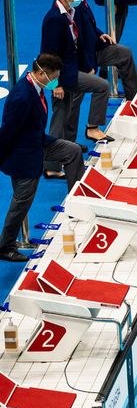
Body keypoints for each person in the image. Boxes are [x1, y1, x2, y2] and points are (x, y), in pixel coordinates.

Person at [0, 55, 83, 262]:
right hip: (24, 157)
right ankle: (5, 246)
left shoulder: (35, 88)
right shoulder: (22, 97)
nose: (55, 81)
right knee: (21, 203)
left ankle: (77, 204)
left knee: (72, 150)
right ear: (41, 73)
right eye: (53, 77)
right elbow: (7, 131)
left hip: (38, 143)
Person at [40, 0, 112, 179]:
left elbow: (75, 44)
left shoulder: (69, 12)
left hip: (71, 70)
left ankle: (58, 160)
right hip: (62, 77)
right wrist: (55, 84)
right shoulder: (54, 19)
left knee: (62, 116)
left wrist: (86, 65)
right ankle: (90, 129)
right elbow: (48, 54)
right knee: (101, 87)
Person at [67, 0, 137, 101]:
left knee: (124, 54)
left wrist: (99, 34)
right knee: (75, 100)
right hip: (84, 56)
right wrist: (88, 65)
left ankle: (135, 98)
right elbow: (77, 38)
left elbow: (88, 24)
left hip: (94, 46)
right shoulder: (71, 4)